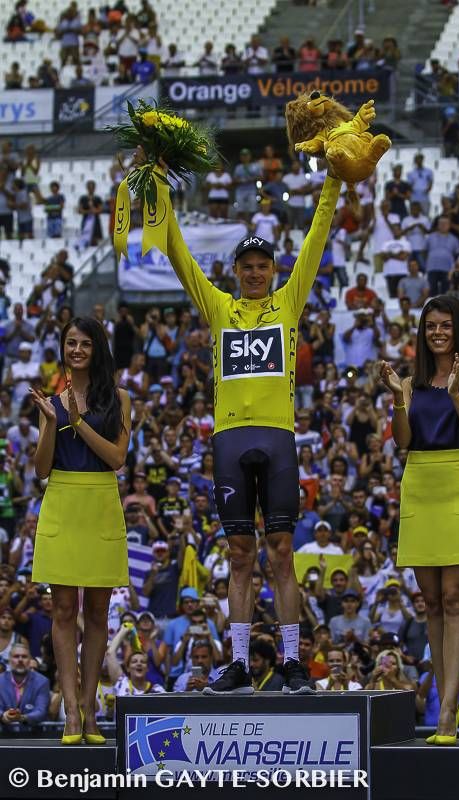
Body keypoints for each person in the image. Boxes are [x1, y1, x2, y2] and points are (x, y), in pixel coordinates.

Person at [146, 149, 342, 694]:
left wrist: (333, 182)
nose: (255, 274)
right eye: (247, 267)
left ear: (273, 272)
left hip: (278, 439)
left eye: (263, 267)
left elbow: (316, 239)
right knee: (238, 553)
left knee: (281, 552)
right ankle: (236, 662)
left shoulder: (289, 302)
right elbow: (179, 252)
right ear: (235, 272)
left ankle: (292, 661)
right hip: (230, 439)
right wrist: (157, 185)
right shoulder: (217, 308)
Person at [379, 294, 459, 745]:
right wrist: (397, 401)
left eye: (446, 325)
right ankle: (451, 699)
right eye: (431, 326)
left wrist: (454, 396)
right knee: (429, 601)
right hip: (420, 481)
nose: (438, 332)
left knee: (454, 597)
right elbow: (403, 442)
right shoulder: (411, 381)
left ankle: (447, 711)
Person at [30, 316, 131, 745]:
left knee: (96, 612)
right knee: (64, 610)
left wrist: (78, 420)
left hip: (101, 503)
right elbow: (39, 469)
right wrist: (54, 423)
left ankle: (91, 709)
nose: (76, 350)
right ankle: (71, 711)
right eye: (70, 343)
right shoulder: (53, 403)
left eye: (84, 344)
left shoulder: (121, 398)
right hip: (62, 504)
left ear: (97, 349)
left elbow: (117, 458)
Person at [0, 642, 50, 732]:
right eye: (16, 656)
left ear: (30, 660)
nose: (20, 660)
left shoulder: (42, 682)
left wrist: (22, 717)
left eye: (24, 656)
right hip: (3, 736)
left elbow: (41, 711)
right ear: (9, 660)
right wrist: (3, 716)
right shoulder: (0, 680)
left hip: (32, 737)